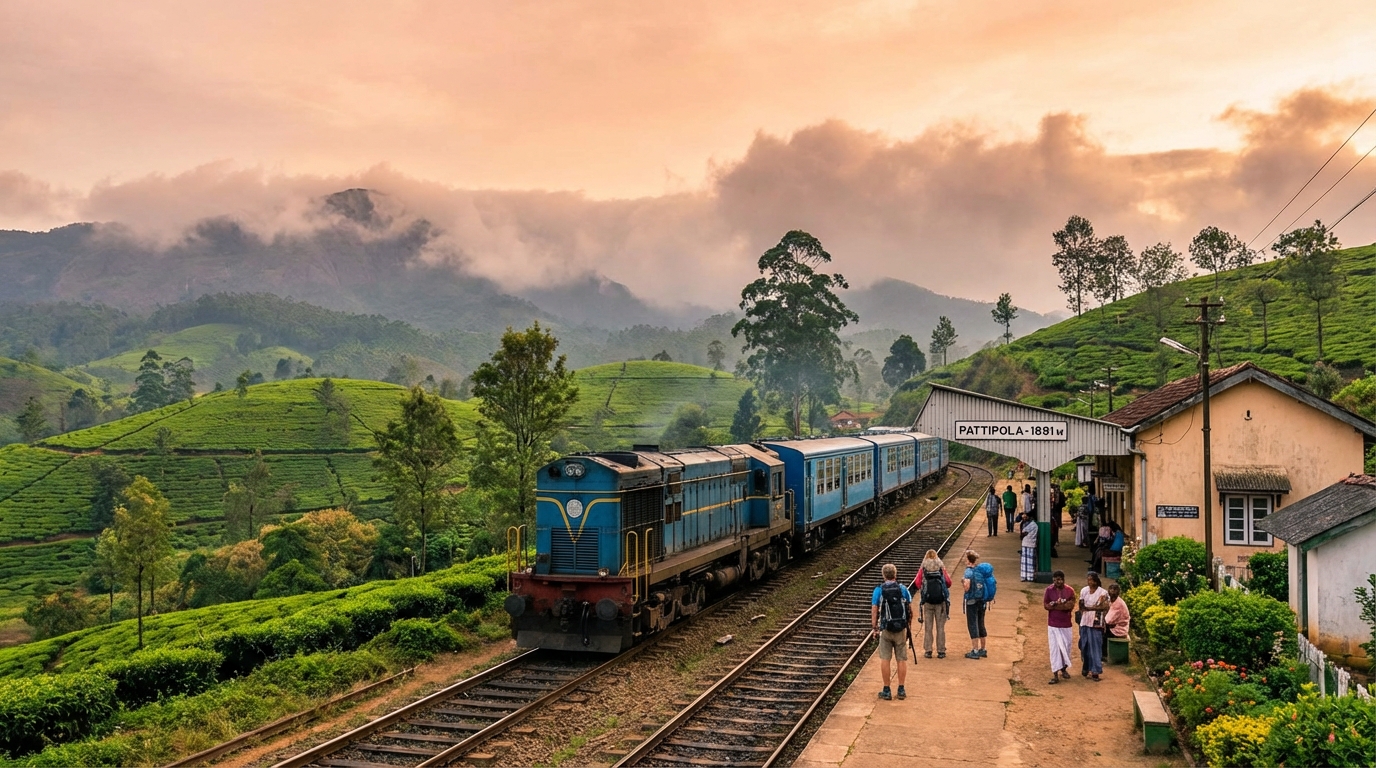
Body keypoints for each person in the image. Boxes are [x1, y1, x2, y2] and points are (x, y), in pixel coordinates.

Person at [871, 563, 912, 700]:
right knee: (901, 659)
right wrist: (908, 627)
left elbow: (875, 609)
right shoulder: (903, 589)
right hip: (900, 629)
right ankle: (901, 689)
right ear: (895, 574)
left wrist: (874, 628)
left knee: (885, 659)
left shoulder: (879, 590)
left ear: (884, 575)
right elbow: (910, 610)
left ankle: (886, 689)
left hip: (886, 629)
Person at [913, 549, 951, 658]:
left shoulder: (923, 567)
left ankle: (928, 650)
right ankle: (941, 651)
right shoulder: (940, 567)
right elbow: (948, 582)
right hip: (941, 601)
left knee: (928, 627)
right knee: (940, 627)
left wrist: (924, 589)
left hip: (928, 601)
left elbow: (917, 582)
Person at [1043, 570, 1075, 684]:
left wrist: (1055, 605)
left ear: (1063, 580)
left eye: (1060, 579)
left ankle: (1064, 669)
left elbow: (1070, 605)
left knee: (1066, 647)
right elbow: (1046, 605)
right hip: (1053, 625)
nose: (1058, 581)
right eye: (1056, 579)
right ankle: (1055, 674)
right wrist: (1055, 605)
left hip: (1066, 624)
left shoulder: (1070, 591)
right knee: (1055, 649)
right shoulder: (1049, 590)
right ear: (1053, 580)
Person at [1078, 571, 1110, 680]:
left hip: (1096, 623)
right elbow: (1081, 606)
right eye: (1088, 579)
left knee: (1095, 647)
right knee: (1084, 646)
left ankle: (1095, 671)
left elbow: (1104, 607)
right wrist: (1092, 608)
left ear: (1096, 581)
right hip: (1085, 621)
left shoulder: (1103, 593)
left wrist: (1090, 608)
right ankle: (1086, 667)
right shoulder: (1084, 590)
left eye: (1091, 579)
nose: (1089, 581)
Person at [961, 550, 993, 659]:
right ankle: (983, 649)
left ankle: (974, 650)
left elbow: (967, 587)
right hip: (982, 600)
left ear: (968, 560)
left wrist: (963, 582)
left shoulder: (968, 572)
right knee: (981, 623)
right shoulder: (980, 571)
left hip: (972, 601)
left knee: (972, 624)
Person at [1104, 582, 1131, 656]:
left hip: (1118, 629)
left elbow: (1108, 620)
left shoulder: (1118, 604)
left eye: (1113, 594)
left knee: (1100, 632)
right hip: (1116, 625)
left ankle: (1104, 654)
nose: (1111, 595)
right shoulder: (1114, 600)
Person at [1020, 512, 1039, 581]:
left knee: (1025, 562)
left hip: (1026, 544)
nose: (1024, 518)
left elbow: (1023, 532)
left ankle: (1024, 576)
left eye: (1026, 517)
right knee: (1030, 562)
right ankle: (1030, 576)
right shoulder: (1035, 525)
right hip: (1031, 544)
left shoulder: (1030, 525)